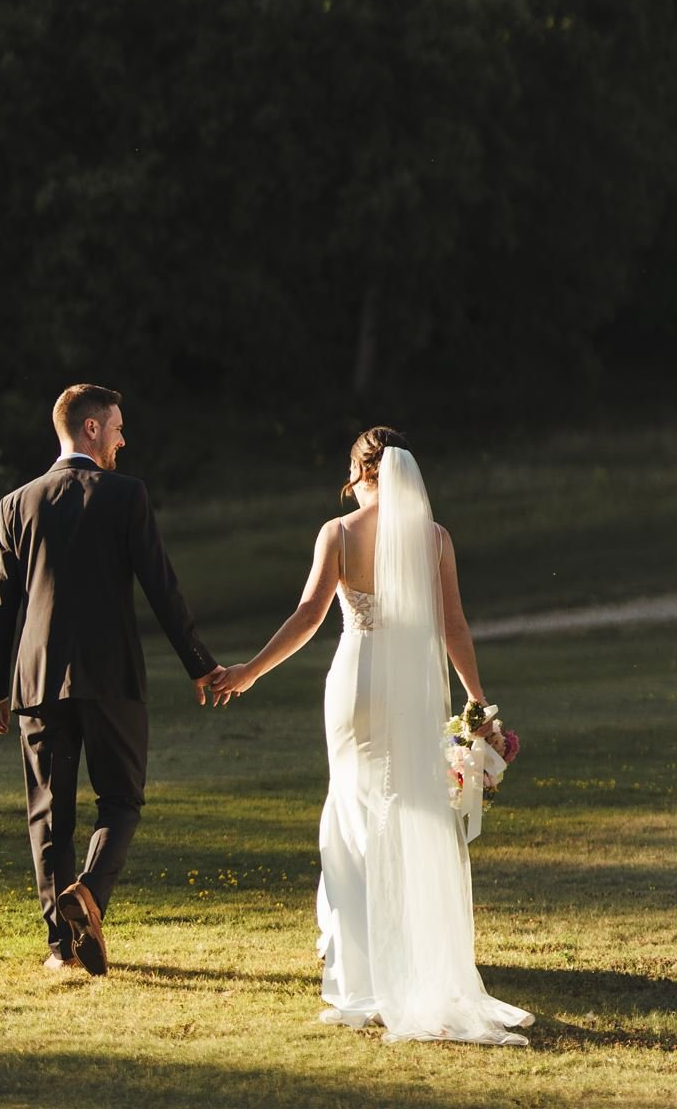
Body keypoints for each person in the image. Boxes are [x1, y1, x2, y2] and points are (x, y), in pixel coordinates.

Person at [210, 425, 533, 1045]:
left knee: (353, 813)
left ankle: (358, 972)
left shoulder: (339, 533)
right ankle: (410, 961)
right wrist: (475, 699)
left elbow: (308, 615)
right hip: (412, 690)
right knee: (411, 811)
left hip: (356, 684)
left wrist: (250, 671)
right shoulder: (434, 540)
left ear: (360, 475)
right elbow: (455, 626)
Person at [0, 383, 225, 975]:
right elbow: (161, 589)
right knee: (121, 800)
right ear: (91, 428)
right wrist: (201, 664)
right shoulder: (126, 496)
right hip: (111, 677)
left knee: (48, 813)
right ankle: (88, 893)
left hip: (36, 684)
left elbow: (0, 605)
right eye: (116, 426)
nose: (122, 437)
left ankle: (62, 948)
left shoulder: (18, 503)